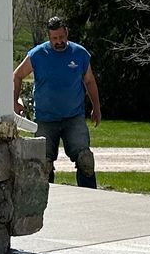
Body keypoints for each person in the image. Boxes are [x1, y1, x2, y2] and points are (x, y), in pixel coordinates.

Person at [13, 15, 102, 188]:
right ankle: (43, 205)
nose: (58, 41)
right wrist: (14, 101)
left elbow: (89, 81)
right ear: (49, 37)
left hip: (73, 117)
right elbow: (17, 75)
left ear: (66, 33)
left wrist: (96, 108)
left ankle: (90, 198)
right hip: (45, 119)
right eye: (54, 38)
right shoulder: (37, 54)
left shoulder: (80, 54)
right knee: (43, 165)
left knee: (86, 161)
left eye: (61, 37)